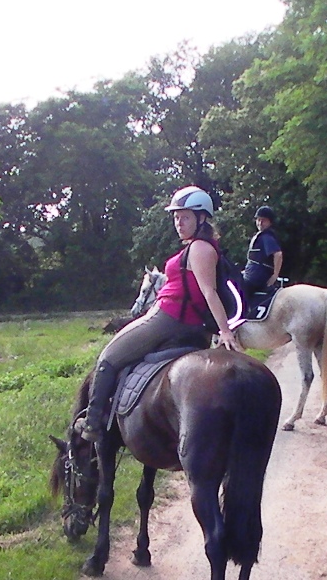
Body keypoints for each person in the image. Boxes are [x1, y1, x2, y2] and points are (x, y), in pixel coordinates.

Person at [79, 185, 242, 443]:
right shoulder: (199, 247)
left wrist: (225, 331)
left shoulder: (200, 248)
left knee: (108, 357)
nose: (179, 222)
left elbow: (208, 291)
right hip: (184, 321)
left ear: (201, 218)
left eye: (185, 217)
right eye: (176, 217)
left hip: (169, 318)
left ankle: (93, 424)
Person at [242, 205, 283, 306]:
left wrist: (275, 275)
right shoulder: (261, 236)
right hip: (251, 273)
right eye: (258, 220)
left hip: (257, 277)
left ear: (270, 222)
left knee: (239, 288)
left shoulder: (267, 237)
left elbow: (278, 254)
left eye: (263, 220)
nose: (260, 223)